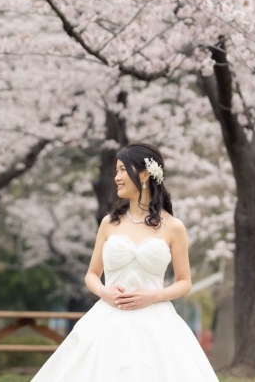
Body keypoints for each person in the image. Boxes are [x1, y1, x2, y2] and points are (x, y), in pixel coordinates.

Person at [32, 143, 218, 381]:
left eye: (122, 170)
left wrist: (152, 296)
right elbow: (91, 274)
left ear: (144, 174)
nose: (116, 177)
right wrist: (105, 292)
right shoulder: (109, 223)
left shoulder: (173, 227)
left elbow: (184, 282)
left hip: (156, 320)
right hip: (108, 317)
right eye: (116, 171)